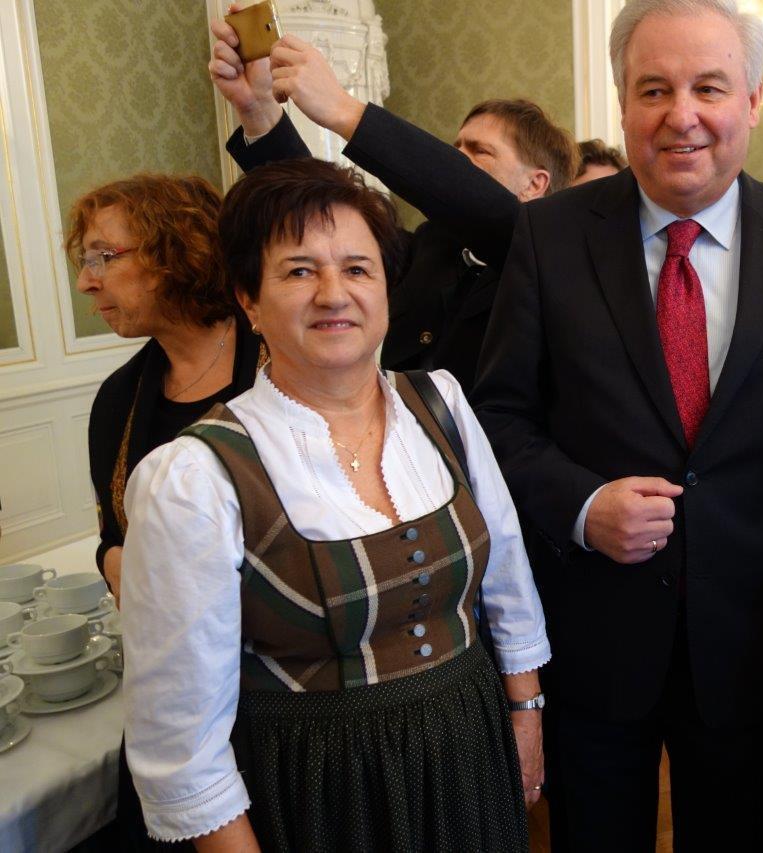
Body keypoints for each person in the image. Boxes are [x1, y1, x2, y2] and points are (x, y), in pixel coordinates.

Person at [471, 0, 763, 849]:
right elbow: (496, 418)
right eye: (654, 89)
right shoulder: (548, 236)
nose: (680, 115)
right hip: (592, 638)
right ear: (623, 103)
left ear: (753, 100)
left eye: (709, 88)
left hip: (753, 642)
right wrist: (583, 505)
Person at [120, 158, 551, 851]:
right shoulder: (195, 477)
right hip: (326, 792)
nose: (333, 293)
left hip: (471, 753)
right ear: (249, 301)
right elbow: (181, 738)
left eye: (357, 268)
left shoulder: (440, 404)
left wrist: (525, 712)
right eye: (299, 271)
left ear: (386, 288)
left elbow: (506, 580)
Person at [209, 15, 577, 389]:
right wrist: (259, 110)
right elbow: (328, 215)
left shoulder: (556, 258)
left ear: (535, 183)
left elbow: (481, 205)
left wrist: (341, 108)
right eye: (454, 149)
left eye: (479, 151)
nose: (457, 160)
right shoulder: (431, 247)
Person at [74, 173, 262, 852]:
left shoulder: (279, 362)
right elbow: (111, 533)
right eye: (84, 261)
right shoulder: (119, 400)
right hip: (181, 706)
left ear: (177, 248)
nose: (86, 281)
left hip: (285, 705)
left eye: (103, 256)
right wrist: (112, 560)